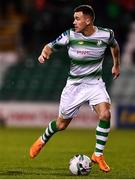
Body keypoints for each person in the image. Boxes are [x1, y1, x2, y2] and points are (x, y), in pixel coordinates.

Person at [29, 5, 120, 172]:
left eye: (77, 18)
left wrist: (116, 65)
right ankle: (42, 139)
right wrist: (44, 54)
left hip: (95, 83)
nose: (74, 21)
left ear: (88, 20)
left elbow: (114, 46)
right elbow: (50, 46)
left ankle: (98, 154)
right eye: (74, 18)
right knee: (61, 125)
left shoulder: (106, 34)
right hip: (74, 86)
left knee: (106, 114)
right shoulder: (70, 35)